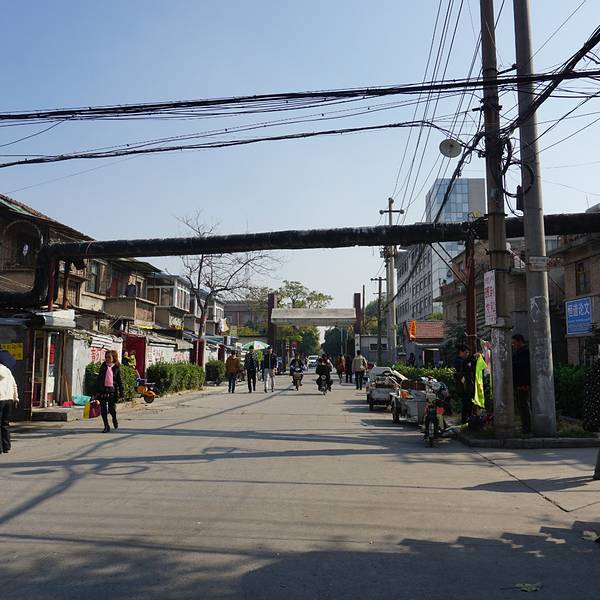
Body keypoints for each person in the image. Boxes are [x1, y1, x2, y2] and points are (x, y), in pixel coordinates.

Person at [95, 350, 124, 433]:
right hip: (102, 390)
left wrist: (121, 392)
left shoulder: (116, 368)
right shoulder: (103, 366)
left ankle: (114, 418)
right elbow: (99, 379)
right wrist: (96, 391)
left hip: (112, 391)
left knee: (111, 409)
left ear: (113, 358)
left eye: (109, 357)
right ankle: (106, 426)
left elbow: (119, 381)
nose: (107, 359)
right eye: (106, 357)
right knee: (103, 409)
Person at [512, 334, 532, 434]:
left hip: (523, 383)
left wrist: (525, 384)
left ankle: (527, 427)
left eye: (514, 342)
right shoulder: (518, 352)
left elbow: (523, 368)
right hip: (518, 383)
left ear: (520, 341)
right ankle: (525, 425)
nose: (513, 345)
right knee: (521, 405)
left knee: (524, 405)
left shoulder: (524, 352)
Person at [454, 344, 476, 424]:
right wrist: (472, 358)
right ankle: (465, 421)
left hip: (467, 386)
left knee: (469, 404)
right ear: (461, 352)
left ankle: (468, 420)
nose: (467, 354)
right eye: (466, 352)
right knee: (466, 405)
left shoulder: (464, 360)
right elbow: (465, 367)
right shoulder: (459, 361)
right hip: (463, 387)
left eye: (468, 353)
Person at [0, 363, 19, 454]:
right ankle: (6, 446)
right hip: (9, 400)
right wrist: (16, 398)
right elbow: (14, 385)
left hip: (0, 399)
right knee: (5, 424)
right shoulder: (8, 371)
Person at [583, 358, 600, 432]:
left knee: (594, 407)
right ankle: (594, 425)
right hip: (595, 393)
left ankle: (593, 425)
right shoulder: (596, 367)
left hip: (593, 393)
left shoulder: (595, 366)